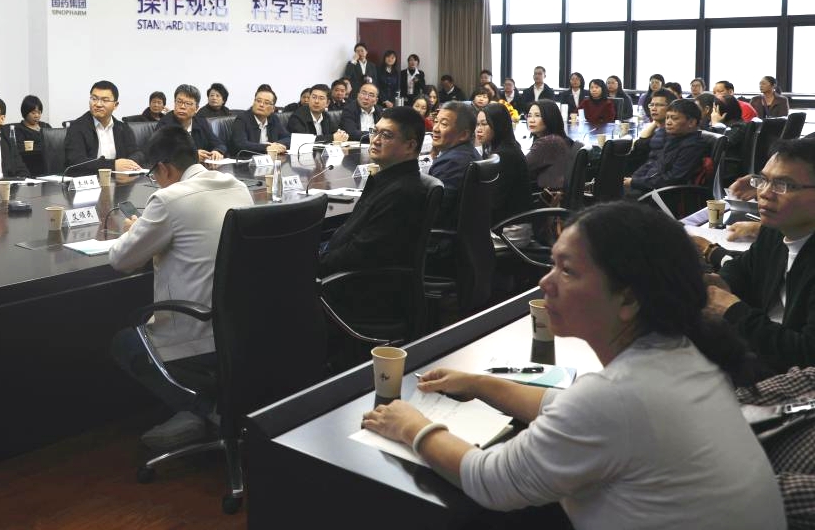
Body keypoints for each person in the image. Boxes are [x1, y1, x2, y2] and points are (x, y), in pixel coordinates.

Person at [361, 202, 784, 530]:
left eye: (567, 270)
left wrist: (411, 426)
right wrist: (480, 384)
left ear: (628, 298)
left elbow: (490, 481)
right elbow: (566, 408)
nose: (545, 282)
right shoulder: (683, 355)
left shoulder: (618, 396)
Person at [107, 126, 254, 451]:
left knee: (125, 343)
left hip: (197, 334)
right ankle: (201, 411)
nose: (155, 182)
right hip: (241, 328)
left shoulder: (168, 199)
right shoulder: (238, 187)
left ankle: (206, 410)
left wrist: (133, 230)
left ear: (164, 168)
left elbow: (121, 260)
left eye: (153, 175)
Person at [704, 138, 815, 373]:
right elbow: (744, 268)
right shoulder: (775, 230)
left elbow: (808, 355)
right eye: (763, 180)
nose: (764, 193)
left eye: (784, 185)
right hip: (762, 350)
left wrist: (733, 311)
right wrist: (721, 282)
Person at [319, 107, 428, 275]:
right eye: (375, 132)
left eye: (386, 135)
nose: (375, 140)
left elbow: (360, 253)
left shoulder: (402, 192)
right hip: (334, 256)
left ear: (410, 145)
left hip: (351, 279)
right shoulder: (385, 179)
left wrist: (314, 263)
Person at [624, 99, 707, 196]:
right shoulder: (674, 139)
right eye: (667, 118)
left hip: (665, 195)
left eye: (674, 118)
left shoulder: (693, 146)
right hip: (650, 187)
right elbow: (655, 164)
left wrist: (635, 182)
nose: (668, 122)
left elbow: (672, 179)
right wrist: (635, 179)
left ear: (691, 122)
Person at [64, 80, 145, 175]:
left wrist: (129, 164)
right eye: (94, 99)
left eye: (105, 100)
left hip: (118, 180)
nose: (98, 104)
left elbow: (137, 153)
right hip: (91, 180)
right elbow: (76, 162)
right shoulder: (77, 128)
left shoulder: (122, 128)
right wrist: (113, 165)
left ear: (115, 105)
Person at [481, 103, 532, 224]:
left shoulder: (504, 155)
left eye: (484, 124)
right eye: (477, 124)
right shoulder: (505, 147)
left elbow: (494, 201)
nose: (478, 129)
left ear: (498, 125)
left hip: (509, 226)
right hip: (505, 220)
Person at [428, 101, 479, 224]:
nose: (435, 129)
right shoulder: (469, 152)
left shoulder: (452, 163)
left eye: (444, 124)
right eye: (436, 121)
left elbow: (434, 213)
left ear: (463, 134)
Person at [158, 84, 227, 161]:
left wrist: (217, 151)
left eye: (188, 103)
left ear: (196, 108)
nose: (182, 106)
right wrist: (191, 155)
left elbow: (219, 144)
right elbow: (161, 152)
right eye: (179, 102)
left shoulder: (201, 122)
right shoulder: (165, 124)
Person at [526, 99, 573, 193]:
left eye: (537, 116)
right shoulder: (558, 139)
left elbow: (521, 167)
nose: (531, 120)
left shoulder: (548, 142)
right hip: (550, 192)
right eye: (529, 115)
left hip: (546, 196)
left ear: (550, 118)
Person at [229, 85, 288, 156]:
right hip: (245, 160)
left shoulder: (273, 118)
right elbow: (241, 144)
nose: (261, 105)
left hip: (269, 159)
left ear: (273, 108)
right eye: (258, 101)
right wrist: (267, 148)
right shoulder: (242, 119)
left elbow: (288, 138)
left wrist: (276, 145)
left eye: (266, 103)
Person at [711, 95, 750, 185]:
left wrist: (716, 124)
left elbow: (721, 144)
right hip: (720, 165)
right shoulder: (730, 125)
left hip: (727, 168)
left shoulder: (739, 126)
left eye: (714, 110)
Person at [12, 94, 50, 177]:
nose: (37, 116)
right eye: (33, 113)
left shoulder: (45, 126)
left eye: (39, 112)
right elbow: (21, 149)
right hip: (30, 167)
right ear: (25, 112)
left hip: (49, 165)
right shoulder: (19, 129)